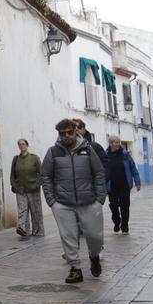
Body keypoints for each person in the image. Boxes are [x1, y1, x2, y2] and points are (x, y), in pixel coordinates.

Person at [43, 118, 106, 284]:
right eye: (62, 133)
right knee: (68, 237)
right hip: (63, 204)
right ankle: (75, 268)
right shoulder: (53, 152)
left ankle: (94, 256)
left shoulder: (87, 149)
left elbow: (99, 172)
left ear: (75, 131)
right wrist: (52, 201)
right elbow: (46, 176)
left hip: (89, 201)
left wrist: (99, 198)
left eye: (69, 132)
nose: (66, 136)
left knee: (94, 235)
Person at [105, 136, 140, 233]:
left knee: (125, 206)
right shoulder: (105, 155)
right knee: (113, 206)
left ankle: (125, 226)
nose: (118, 144)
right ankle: (116, 221)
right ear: (110, 144)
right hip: (111, 186)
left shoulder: (125, 154)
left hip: (124, 184)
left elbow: (133, 168)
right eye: (115, 142)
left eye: (118, 142)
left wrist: (137, 182)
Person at [10, 139, 44, 237]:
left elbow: (41, 173)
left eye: (23, 144)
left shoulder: (34, 158)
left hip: (33, 188)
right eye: (19, 144)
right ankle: (23, 229)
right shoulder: (16, 159)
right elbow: (12, 174)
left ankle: (38, 231)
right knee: (22, 209)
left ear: (27, 145)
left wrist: (37, 184)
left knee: (35, 210)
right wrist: (14, 184)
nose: (21, 146)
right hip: (20, 188)